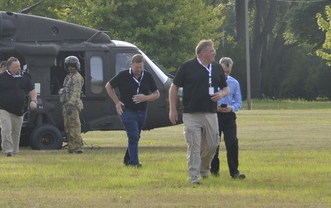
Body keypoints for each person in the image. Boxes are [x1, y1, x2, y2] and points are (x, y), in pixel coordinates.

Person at [169, 40, 229, 186]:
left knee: (212, 144)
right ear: (203, 52)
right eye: (211, 50)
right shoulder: (187, 67)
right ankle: (193, 178)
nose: (214, 52)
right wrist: (172, 109)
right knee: (194, 145)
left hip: (210, 112)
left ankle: (204, 169)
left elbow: (225, 88)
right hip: (191, 113)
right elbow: (174, 87)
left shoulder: (216, 68)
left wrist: (221, 94)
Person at [105, 53, 160, 167]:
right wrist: (116, 102)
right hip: (127, 111)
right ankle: (135, 163)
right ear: (131, 65)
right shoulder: (123, 75)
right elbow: (108, 86)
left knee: (135, 137)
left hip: (142, 111)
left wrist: (146, 98)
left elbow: (157, 94)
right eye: (136, 67)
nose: (138, 70)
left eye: (140, 67)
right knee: (133, 136)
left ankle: (127, 160)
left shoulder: (148, 76)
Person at [0, 57, 37, 157]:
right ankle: (8, 151)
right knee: (6, 129)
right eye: (16, 67)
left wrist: (33, 101)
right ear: (9, 68)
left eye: (19, 66)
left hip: (18, 110)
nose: (19, 68)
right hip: (4, 108)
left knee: (16, 132)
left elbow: (32, 90)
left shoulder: (25, 77)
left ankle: (15, 152)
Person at [210, 57, 246, 179]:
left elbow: (238, 101)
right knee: (214, 143)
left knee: (232, 142)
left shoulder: (234, 83)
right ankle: (214, 171)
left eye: (228, 72)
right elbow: (208, 99)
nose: (225, 74)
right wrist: (216, 108)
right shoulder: (212, 82)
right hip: (215, 115)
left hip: (229, 116)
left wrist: (231, 108)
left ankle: (234, 171)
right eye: (223, 71)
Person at [60, 55, 85, 154]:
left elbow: (76, 92)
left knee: (75, 127)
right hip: (67, 105)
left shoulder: (77, 78)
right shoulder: (68, 77)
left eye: (72, 66)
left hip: (73, 106)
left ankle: (78, 148)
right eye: (69, 66)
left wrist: (70, 104)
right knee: (68, 127)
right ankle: (71, 147)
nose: (70, 68)